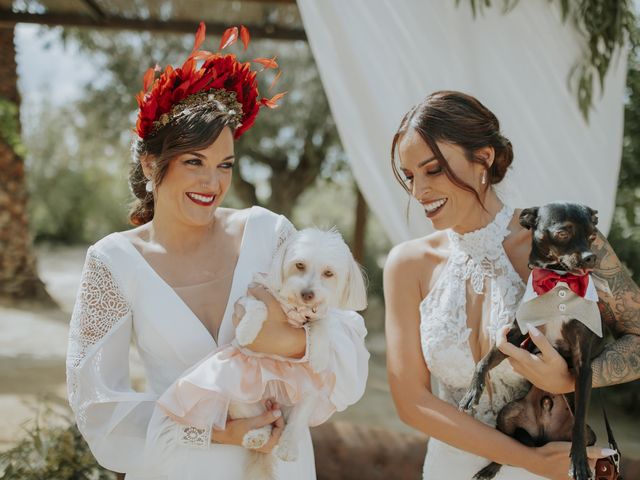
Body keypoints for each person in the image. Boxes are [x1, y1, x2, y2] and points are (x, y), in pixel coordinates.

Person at [65, 23, 369, 480]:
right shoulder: (112, 262)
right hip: (180, 466)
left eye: (224, 164)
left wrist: (293, 342)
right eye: (194, 162)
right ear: (151, 163)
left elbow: (346, 340)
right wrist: (215, 431)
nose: (213, 184)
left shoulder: (269, 234)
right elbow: (97, 403)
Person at [383, 90, 640, 479]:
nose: (419, 192)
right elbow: (411, 402)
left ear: (484, 158)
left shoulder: (564, 238)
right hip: (451, 467)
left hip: (550, 467)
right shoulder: (407, 265)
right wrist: (526, 459)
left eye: (433, 169)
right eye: (410, 176)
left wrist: (568, 378)